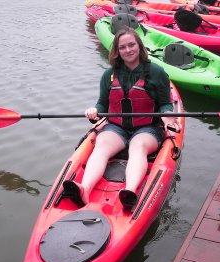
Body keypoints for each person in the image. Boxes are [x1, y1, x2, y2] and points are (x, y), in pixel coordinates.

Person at [62, 26, 181, 210]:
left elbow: (165, 103)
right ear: (117, 51)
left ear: (139, 46)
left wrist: (167, 117)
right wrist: (94, 111)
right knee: (101, 145)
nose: (128, 50)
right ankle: (84, 189)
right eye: (122, 47)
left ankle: (129, 191)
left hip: (148, 128)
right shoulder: (108, 75)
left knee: (137, 146)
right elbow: (102, 104)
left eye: (131, 45)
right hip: (116, 127)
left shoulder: (156, 72)